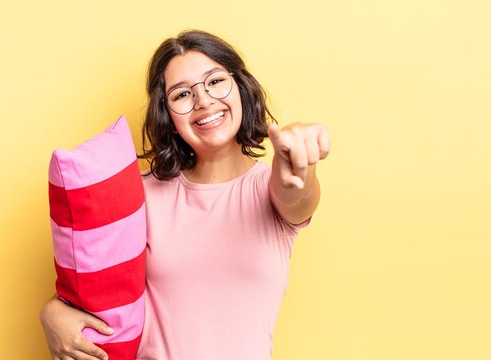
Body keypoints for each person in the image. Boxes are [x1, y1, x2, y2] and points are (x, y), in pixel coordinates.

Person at [39, 29, 331, 360]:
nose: (204, 100)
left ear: (240, 87)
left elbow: (297, 195)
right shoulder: (140, 193)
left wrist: (298, 160)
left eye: (215, 81)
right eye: (182, 95)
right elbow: (98, 280)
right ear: (167, 114)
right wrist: (51, 313)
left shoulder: (271, 190)